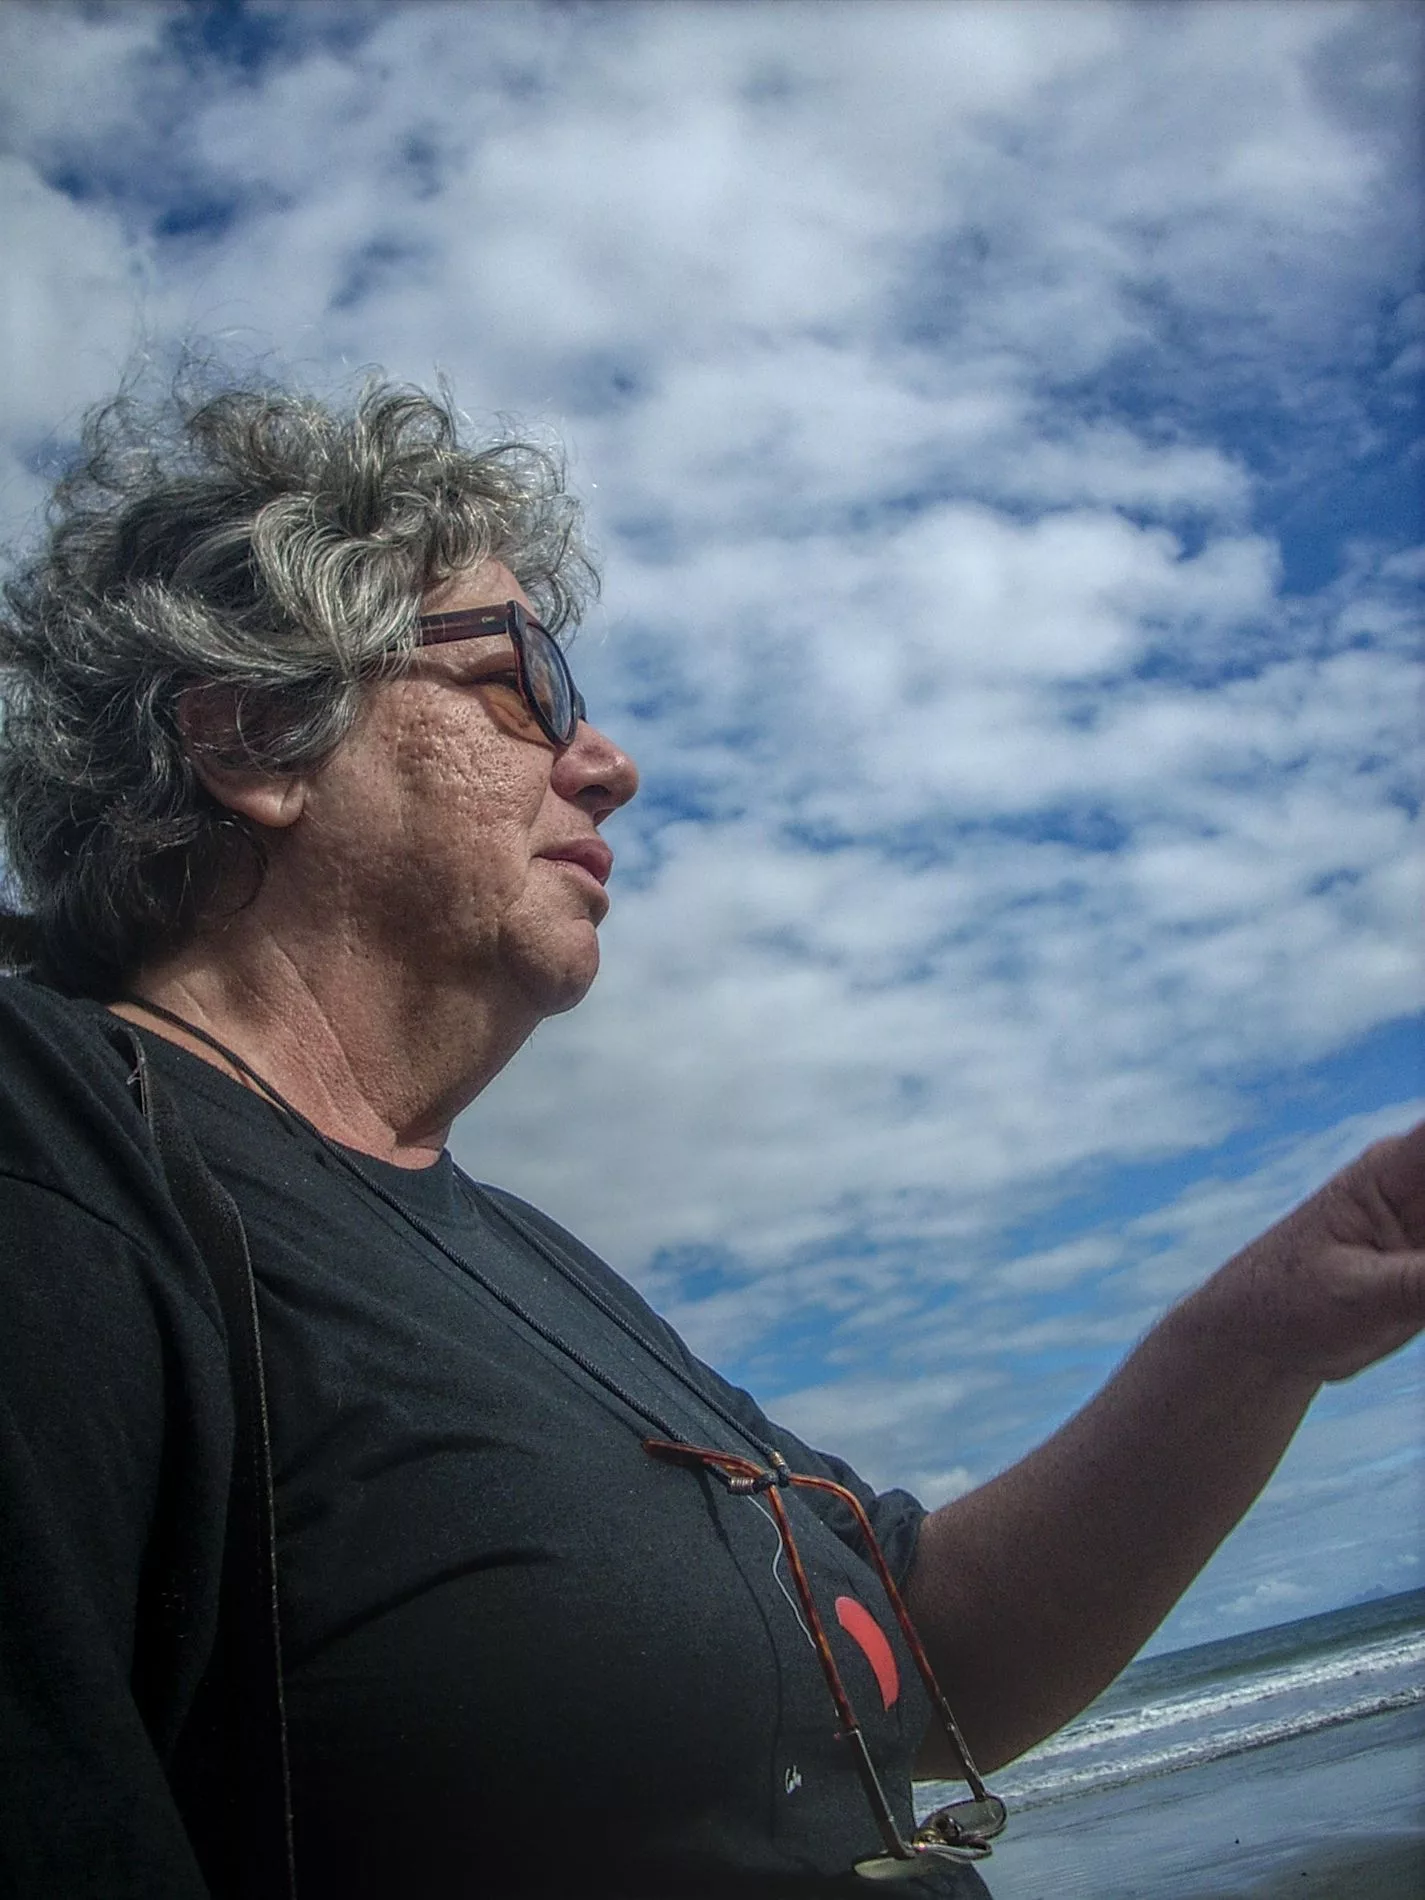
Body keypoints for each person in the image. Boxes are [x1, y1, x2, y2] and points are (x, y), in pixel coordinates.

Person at [0, 376, 1419, 1900]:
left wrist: (1262, 1332)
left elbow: (919, 1656)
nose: (605, 761)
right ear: (256, 738)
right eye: (527, 681)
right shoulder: (56, 1147)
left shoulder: (523, 1259)